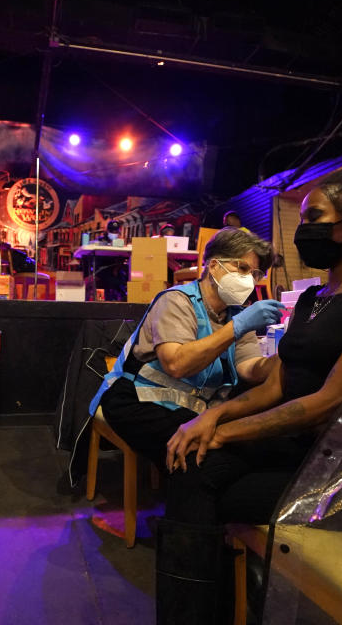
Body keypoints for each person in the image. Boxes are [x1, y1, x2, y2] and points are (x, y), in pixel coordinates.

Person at [160, 145, 342, 623]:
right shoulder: (313, 299)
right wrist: (211, 416)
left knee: (206, 488)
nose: (305, 229)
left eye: (316, 217)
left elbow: (330, 402)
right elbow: (275, 387)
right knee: (186, 465)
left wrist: (222, 434)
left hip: (338, 464)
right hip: (290, 446)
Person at [88, 227, 285, 622]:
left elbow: (248, 368)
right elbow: (177, 363)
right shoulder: (176, 301)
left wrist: (286, 350)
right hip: (136, 400)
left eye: (255, 273)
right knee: (199, 456)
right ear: (213, 267)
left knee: (238, 449)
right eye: (242, 268)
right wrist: (239, 326)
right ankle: (199, 567)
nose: (249, 279)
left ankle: (216, 539)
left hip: (189, 412)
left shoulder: (233, 316)